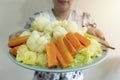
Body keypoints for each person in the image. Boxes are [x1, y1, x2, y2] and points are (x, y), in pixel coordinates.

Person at [9, 0, 106, 80]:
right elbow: (23, 36)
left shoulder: (84, 18)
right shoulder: (37, 18)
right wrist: (16, 36)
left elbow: (93, 36)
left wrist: (95, 32)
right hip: (42, 77)